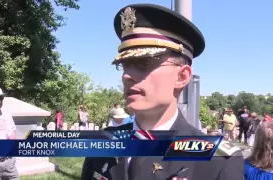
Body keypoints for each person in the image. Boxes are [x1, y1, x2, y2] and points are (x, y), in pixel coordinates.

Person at [81, 4, 244, 180]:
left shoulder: (218, 160)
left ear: (182, 76)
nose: (127, 76)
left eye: (144, 63)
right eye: (125, 65)